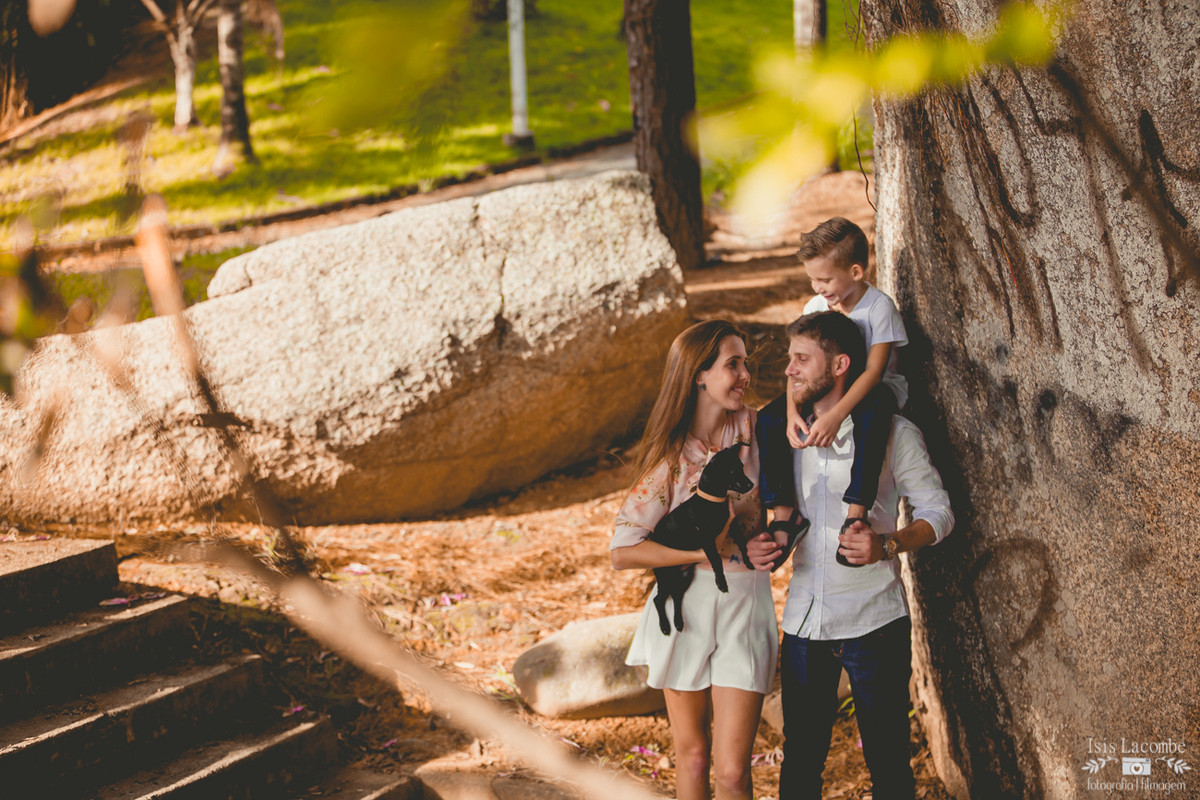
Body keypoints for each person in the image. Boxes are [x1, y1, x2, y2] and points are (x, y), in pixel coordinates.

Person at [746, 311, 954, 800]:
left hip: (874, 620)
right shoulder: (781, 434)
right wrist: (760, 541)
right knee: (799, 766)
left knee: (888, 766)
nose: (790, 370)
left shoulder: (893, 432)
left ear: (840, 365)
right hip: (803, 624)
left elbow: (939, 512)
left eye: (801, 360)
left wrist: (889, 544)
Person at [611, 319, 776, 800]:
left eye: (745, 362)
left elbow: (774, 507)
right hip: (686, 610)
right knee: (694, 757)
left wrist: (769, 542)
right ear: (699, 375)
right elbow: (623, 551)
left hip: (745, 604)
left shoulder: (756, 429)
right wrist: (702, 552)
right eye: (733, 364)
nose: (745, 374)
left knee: (731, 772)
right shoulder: (669, 459)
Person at [758, 218, 908, 564]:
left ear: (856, 271)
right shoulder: (816, 306)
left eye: (825, 279)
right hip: (825, 387)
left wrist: (838, 415)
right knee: (768, 418)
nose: (817, 287)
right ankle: (784, 512)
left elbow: (874, 371)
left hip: (874, 389)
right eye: (812, 279)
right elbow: (797, 362)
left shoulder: (878, 307)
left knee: (874, 412)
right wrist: (793, 410)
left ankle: (856, 511)